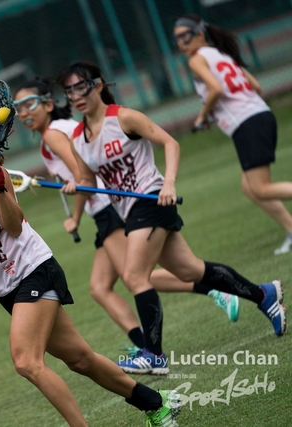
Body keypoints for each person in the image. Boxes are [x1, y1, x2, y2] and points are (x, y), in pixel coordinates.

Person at [0, 103, 182, 427]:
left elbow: (14, 227)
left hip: (33, 270)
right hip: (6, 288)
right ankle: (157, 403)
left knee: (26, 361)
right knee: (81, 359)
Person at [56, 61, 286, 376]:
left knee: (135, 276)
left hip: (152, 198)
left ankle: (153, 354)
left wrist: (169, 183)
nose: (75, 96)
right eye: (69, 91)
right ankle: (264, 294)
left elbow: (170, 143)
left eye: (81, 87)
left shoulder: (123, 117)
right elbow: (86, 178)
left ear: (97, 85)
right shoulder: (78, 138)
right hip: (130, 209)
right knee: (190, 269)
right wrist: (75, 189)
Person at [13, 78, 240, 354]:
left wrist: (75, 218)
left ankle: (214, 290)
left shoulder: (53, 135)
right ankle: (142, 344)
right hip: (111, 206)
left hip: (108, 208)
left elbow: (83, 179)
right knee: (100, 287)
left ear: (48, 104)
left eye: (29, 104)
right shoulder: (65, 128)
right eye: (18, 108)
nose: (23, 113)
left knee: (137, 277)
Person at [174, 14, 292, 256]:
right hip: (261, 116)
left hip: (248, 123)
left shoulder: (197, 60)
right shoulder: (221, 54)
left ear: (200, 34)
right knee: (249, 187)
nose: (181, 43)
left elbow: (216, 89)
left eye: (185, 36)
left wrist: (202, 116)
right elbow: (256, 87)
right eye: (177, 39)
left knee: (261, 188)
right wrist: (214, 113)